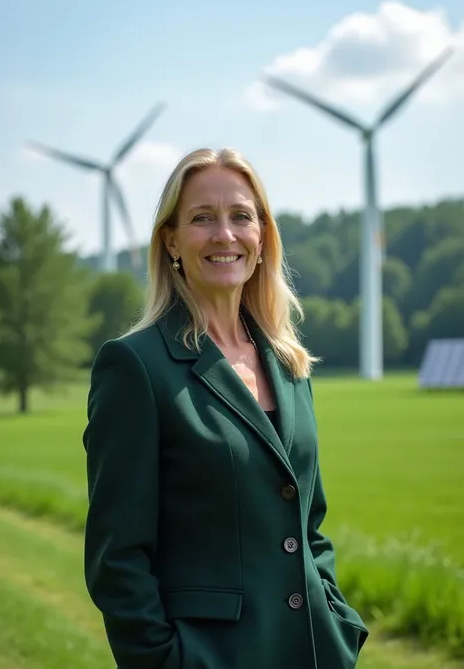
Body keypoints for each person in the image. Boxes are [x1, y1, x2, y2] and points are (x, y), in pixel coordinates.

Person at [82, 147, 369, 669]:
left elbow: (309, 523)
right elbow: (116, 558)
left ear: (263, 238)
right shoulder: (134, 367)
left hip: (314, 651)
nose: (224, 234)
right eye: (201, 218)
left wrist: (336, 617)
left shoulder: (289, 364)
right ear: (170, 240)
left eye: (241, 216)